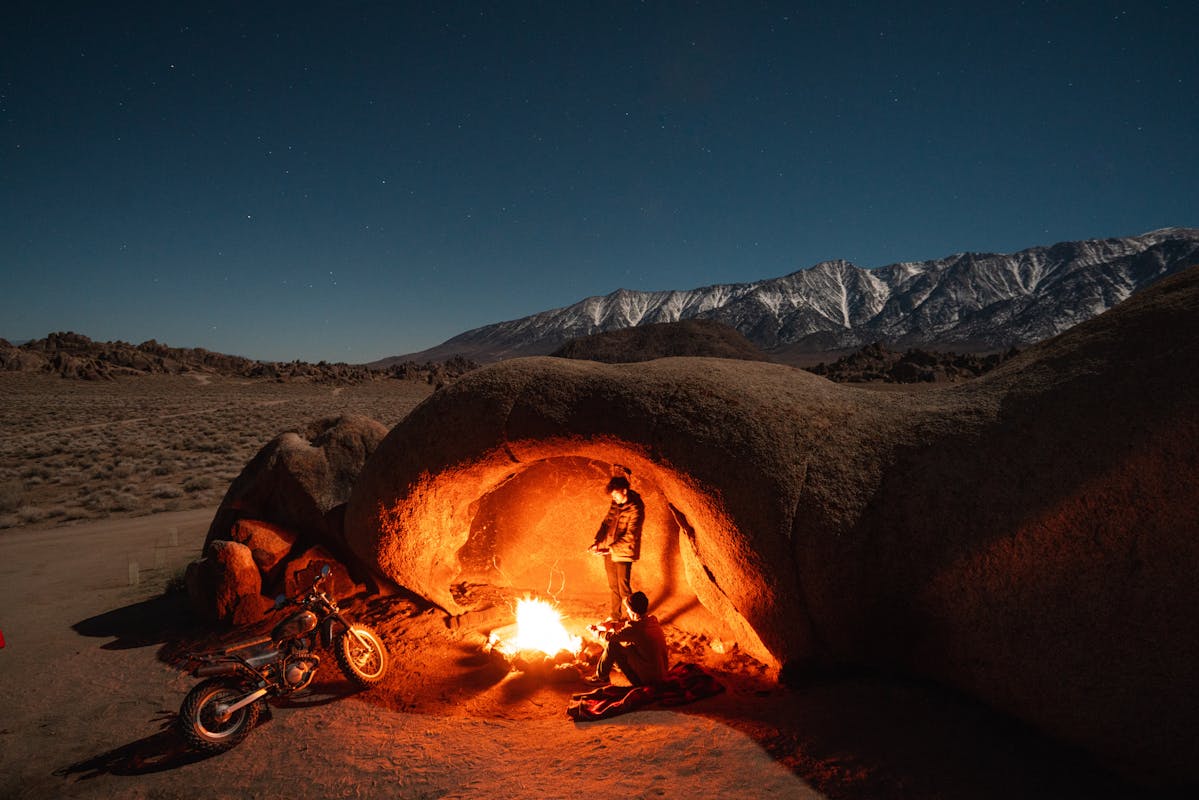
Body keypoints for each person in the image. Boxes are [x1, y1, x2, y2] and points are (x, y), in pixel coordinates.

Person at [588, 474, 645, 622]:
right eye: (612, 495)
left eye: (616, 494)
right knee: (613, 586)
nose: (614, 498)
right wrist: (598, 541)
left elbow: (631, 535)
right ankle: (615, 616)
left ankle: (634, 618)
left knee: (623, 588)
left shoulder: (636, 508)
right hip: (609, 550)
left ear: (624, 491)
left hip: (623, 553)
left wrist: (611, 549)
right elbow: (606, 523)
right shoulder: (615, 504)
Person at [585, 591, 669, 687]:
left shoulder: (635, 628)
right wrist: (611, 625)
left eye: (627, 609)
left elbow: (610, 637)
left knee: (614, 645)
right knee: (628, 646)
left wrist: (594, 631)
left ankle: (601, 678)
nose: (627, 611)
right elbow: (628, 626)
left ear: (632, 611)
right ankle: (605, 673)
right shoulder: (652, 620)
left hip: (648, 682)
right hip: (661, 675)